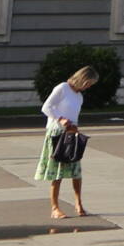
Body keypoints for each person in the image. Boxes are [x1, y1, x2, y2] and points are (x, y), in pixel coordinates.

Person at [39, 66, 100, 219]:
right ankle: (55, 208)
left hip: (71, 133)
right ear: (81, 79)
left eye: (91, 84)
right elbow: (46, 107)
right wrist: (61, 119)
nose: (88, 86)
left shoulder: (79, 96)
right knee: (57, 173)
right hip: (56, 133)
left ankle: (78, 203)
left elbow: (74, 115)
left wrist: (75, 128)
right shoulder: (63, 88)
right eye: (88, 83)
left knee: (76, 172)